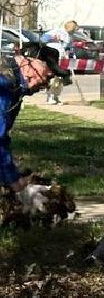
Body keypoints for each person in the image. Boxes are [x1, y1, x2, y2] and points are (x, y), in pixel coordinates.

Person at [1, 42, 60, 194]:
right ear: (29, 63)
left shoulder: (15, 89)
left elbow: (3, 137)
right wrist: (12, 179)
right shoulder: (5, 86)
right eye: (48, 72)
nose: (48, 81)